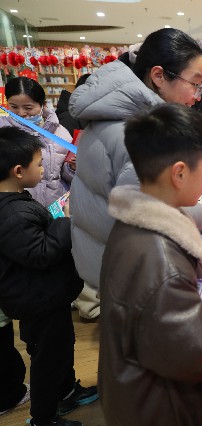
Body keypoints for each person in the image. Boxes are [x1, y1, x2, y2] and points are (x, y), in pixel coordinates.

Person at [99, 103, 202, 426]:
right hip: (161, 409)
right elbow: (201, 351)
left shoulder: (133, 226)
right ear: (179, 173)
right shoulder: (160, 262)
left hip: (136, 392)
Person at [68, 28, 202, 320]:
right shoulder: (142, 133)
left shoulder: (112, 116)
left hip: (110, 266)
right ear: (158, 76)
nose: (197, 97)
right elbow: (155, 221)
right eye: (195, 84)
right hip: (137, 278)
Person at [0, 127, 98, 426]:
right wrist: (65, 221)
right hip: (37, 300)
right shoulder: (12, 214)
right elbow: (41, 253)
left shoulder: (17, 202)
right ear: (19, 171)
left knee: (60, 349)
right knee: (48, 360)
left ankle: (66, 391)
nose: (43, 169)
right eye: (39, 164)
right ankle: (43, 418)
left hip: (46, 296)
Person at [0, 77, 75, 207]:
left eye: (28, 108)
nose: (21, 113)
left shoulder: (60, 133)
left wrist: (72, 168)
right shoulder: (3, 131)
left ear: (43, 105)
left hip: (54, 207)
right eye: (14, 107)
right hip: (16, 209)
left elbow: (64, 174)